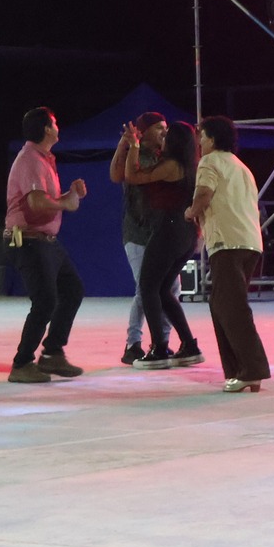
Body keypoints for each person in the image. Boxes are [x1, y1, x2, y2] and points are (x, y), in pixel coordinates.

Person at [187, 116, 270, 393]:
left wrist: (191, 212)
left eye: (202, 137)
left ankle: (251, 369)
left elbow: (204, 194)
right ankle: (237, 370)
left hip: (227, 243)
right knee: (223, 304)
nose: (199, 142)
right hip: (249, 242)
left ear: (211, 139)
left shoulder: (210, 162)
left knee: (231, 308)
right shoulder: (241, 167)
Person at [5, 106, 87, 384]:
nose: (58, 127)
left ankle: (52, 352)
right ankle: (22, 363)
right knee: (46, 300)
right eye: (55, 123)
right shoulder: (30, 159)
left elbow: (43, 200)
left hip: (44, 240)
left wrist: (68, 194)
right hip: (29, 239)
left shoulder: (41, 159)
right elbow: (36, 203)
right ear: (46, 129)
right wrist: (66, 201)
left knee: (72, 290)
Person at [120, 113, 203, 369]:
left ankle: (158, 349)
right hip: (185, 233)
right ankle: (189, 345)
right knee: (163, 290)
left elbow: (133, 176)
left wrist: (133, 146)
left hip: (169, 229)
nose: (163, 137)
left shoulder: (171, 166)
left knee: (147, 287)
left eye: (168, 135)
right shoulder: (189, 164)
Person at [109, 110, 173, 364]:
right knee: (145, 288)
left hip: (159, 234)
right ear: (144, 133)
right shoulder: (139, 158)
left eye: (166, 127)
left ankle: (161, 341)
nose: (164, 132)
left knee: (168, 289)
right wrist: (126, 143)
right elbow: (116, 175)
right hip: (138, 235)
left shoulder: (162, 156)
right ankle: (134, 343)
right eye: (159, 128)